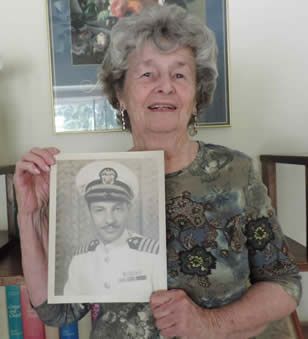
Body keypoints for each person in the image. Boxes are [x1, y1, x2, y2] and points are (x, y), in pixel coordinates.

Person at [14, 4, 301, 339]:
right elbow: (57, 311)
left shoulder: (236, 173)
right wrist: (30, 216)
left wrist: (210, 324)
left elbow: (284, 284)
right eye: (147, 74)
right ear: (120, 93)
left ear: (196, 96)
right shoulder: (88, 179)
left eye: (179, 74)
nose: (165, 86)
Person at [62, 160, 161, 299]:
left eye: (117, 209)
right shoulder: (80, 258)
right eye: (99, 210)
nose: (109, 220)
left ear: (129, 210)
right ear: (89, 212)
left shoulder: (153, 254)